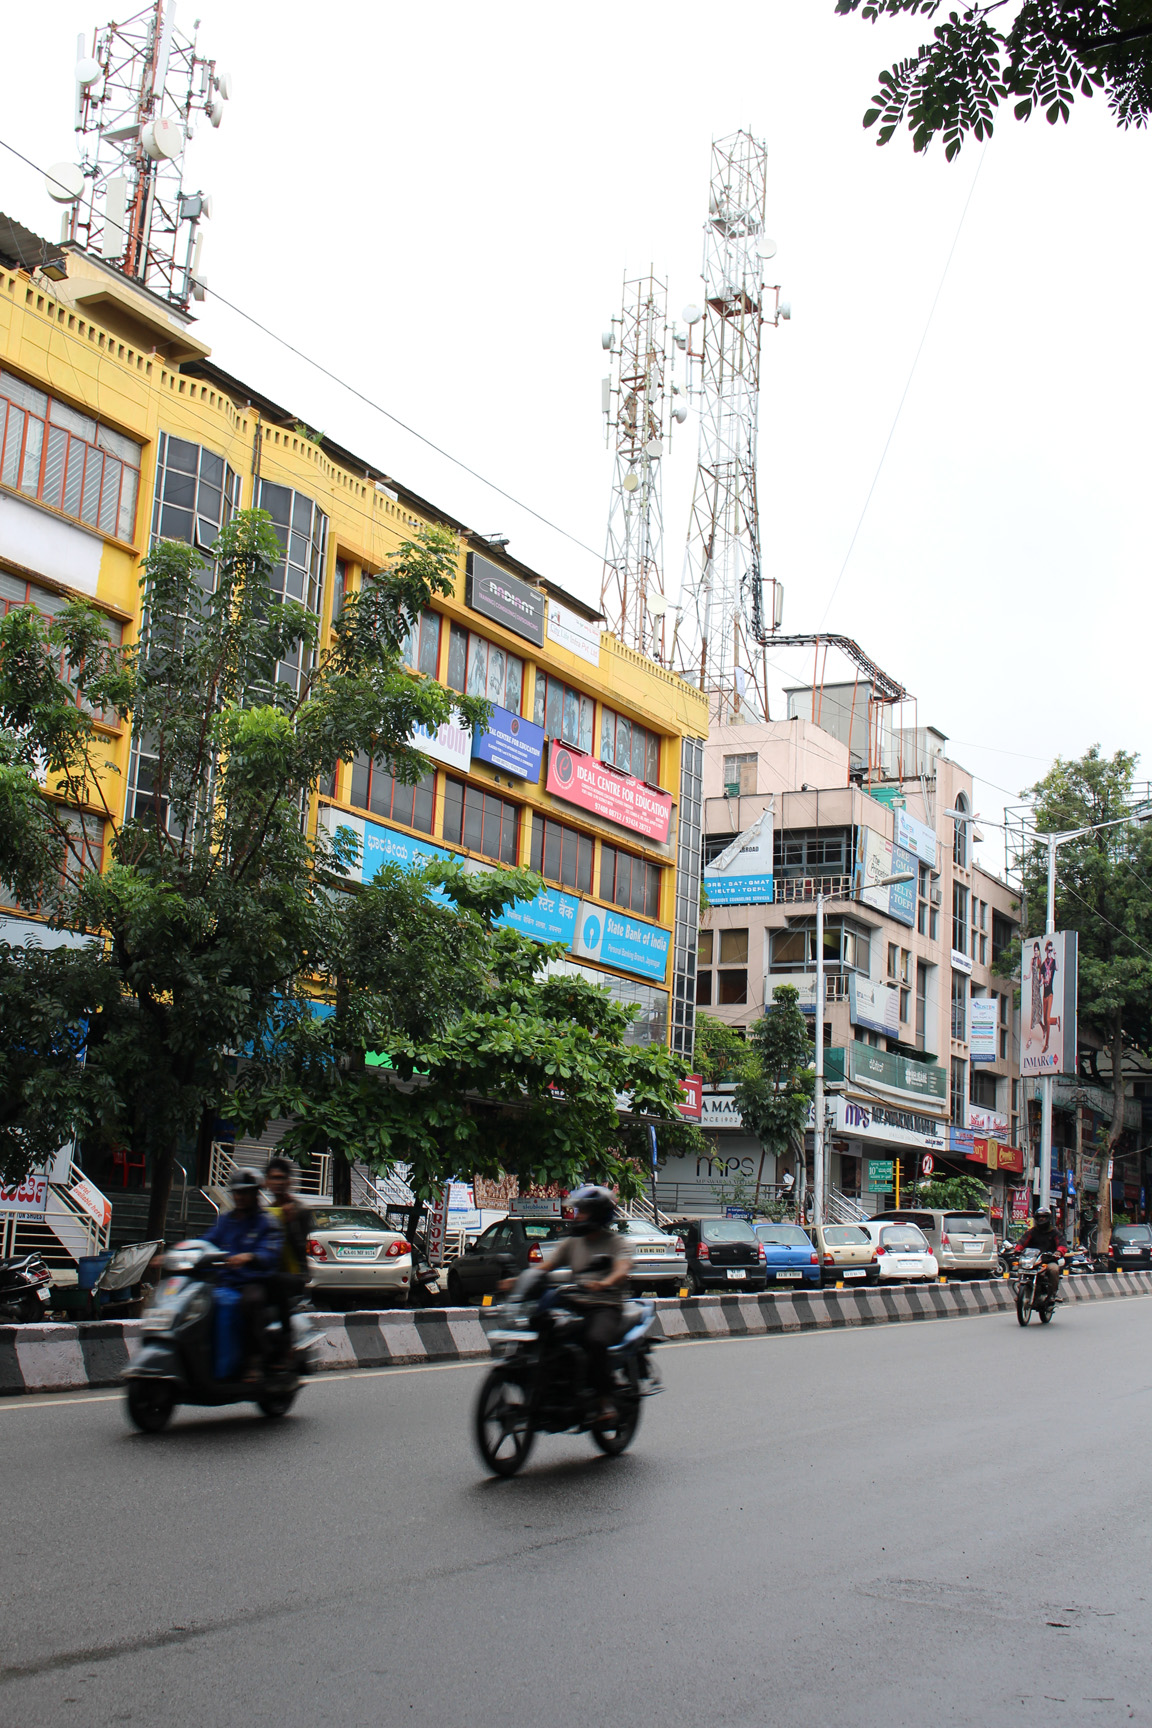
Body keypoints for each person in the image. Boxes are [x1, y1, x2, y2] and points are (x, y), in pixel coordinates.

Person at [543, 1186, 634, 1421]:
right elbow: (547, 1266)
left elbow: (622, 1269)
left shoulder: (616, 1243)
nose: (578, 1216)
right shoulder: (572, 1243)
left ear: (598, 1214)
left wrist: (604, 1283)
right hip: (575, 1303)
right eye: (578, 1211)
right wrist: (520, 1279)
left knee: (595, 1340)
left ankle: (605, 1401)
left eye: (583, 1211)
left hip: (605, 1306)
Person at [205, 1168, 283, 1381]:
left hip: (253, 1281)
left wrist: (249, 1257)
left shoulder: (266, 1222)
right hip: (224, 1282)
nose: (239, 1197)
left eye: (245, 1192)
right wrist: (179, 1251)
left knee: (250, 1303)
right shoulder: (226, 1221)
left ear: (255, 1193)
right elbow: (207, 1241)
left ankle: (253, 1360)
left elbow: (270, 1252)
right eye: (237, 1192)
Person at [264, 1156, 314, 1359]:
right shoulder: (264, 1213)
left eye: (281, 1178)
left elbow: (302, 1248)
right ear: (266, 1181)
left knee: (274, 1283)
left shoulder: (300, 1211)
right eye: (273, 1178)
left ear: (288, 1181)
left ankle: (286, 1344)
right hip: (266, 1272)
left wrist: (290, 1224)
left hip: (293, 1275)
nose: (277, 1183)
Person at [1015, 1208, 1065, 1303]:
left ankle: (1052, 1294)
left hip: (1048, 1261)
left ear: (1048, 1218)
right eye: (1039, 1217)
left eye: (1044, 1217)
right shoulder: (1032, 1232)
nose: (1041, 1219)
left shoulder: (1055, 1232)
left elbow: (1062, 1245)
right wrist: (1017, 1249)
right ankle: (1021, 1291)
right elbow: (1022, 1242)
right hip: (1033, 1261)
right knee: (1021, 1266)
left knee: (1054, 1269)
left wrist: (1059, 1252)